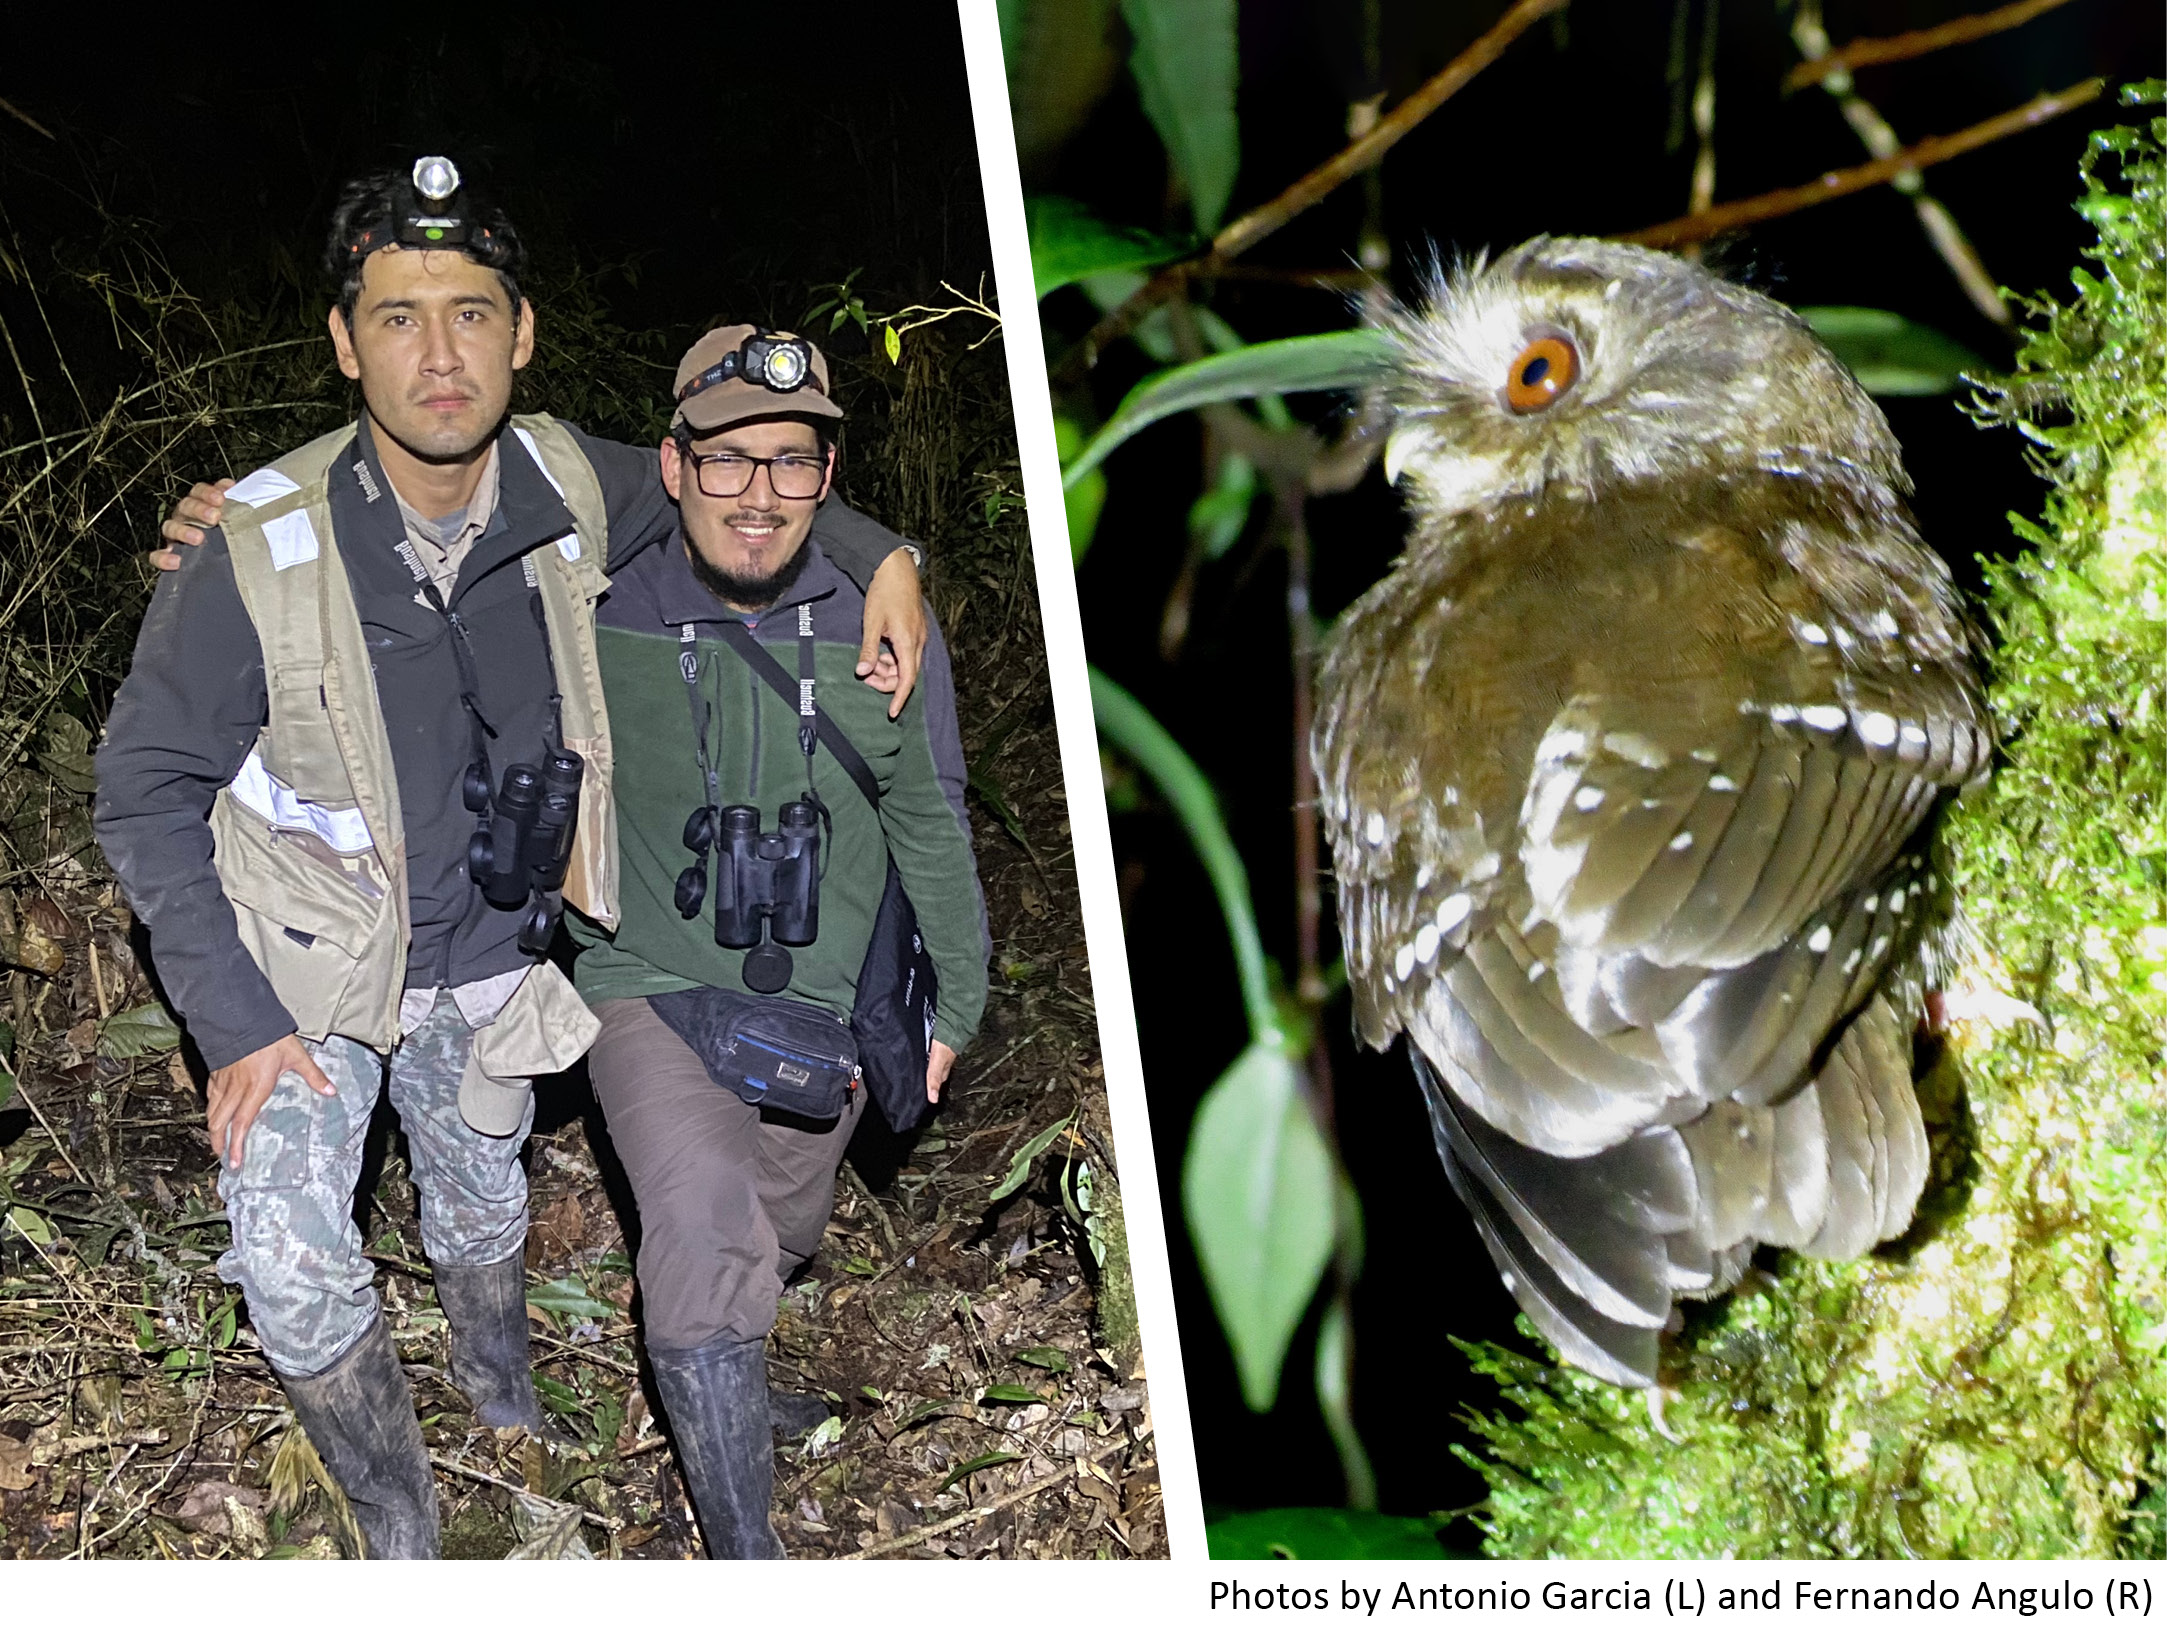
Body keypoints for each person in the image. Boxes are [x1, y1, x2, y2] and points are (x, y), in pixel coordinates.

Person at [101, 158, 926, 1561]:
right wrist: (232, 1029)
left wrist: (886, 551)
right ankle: (399, 1526)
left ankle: (499, 1390)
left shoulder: (566, 482)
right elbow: (140, 786)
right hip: (307, 970)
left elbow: (741, 487)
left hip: (493, 959)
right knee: (298, 1262)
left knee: (480, 1196)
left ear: (522, 332)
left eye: (472, 312)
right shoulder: (259, 546)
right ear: (344, 341)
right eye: (400, 315)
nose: (440, 351)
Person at [565, 323, 989, 1558]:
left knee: (783, 1224)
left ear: (828, 474)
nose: (759, 494)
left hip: (827, 994)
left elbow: (931, 812)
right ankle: (750, 1556)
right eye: (730, 459)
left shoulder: (883, 626)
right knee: (700, 1223)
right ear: (675, 463)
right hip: (649, 983)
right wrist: (251, 518)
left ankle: (732, 1380)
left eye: (792, 462)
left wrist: (951, 1004)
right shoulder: (591, 608)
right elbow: (439, 503)